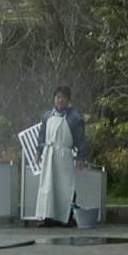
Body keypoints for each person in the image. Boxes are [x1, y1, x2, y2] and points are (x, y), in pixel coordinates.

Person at [34, 85, 89, 227]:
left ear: (68, 99)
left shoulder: (74, 118)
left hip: (64, 156)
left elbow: (80, 139)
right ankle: (48, 217)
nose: (60, 100)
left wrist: (81, 158)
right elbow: (42, 136)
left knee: (66, 187)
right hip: (49, 156)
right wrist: (38, 152)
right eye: (58, 97)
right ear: (54, 98)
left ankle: (67, 218)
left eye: (63, 97)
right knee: (48, 186)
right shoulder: (47, 116)